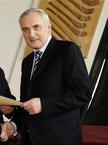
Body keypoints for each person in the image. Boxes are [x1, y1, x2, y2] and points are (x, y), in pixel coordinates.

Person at [9, 8, 92, 144]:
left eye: (36, 27)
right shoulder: (27, 61)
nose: (31, 34)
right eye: (25, 29)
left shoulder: (67, 50)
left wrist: (44, 104)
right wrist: (12, 115)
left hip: (60, 139)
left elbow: (83, 93)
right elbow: (28, 101)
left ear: (49, 28)